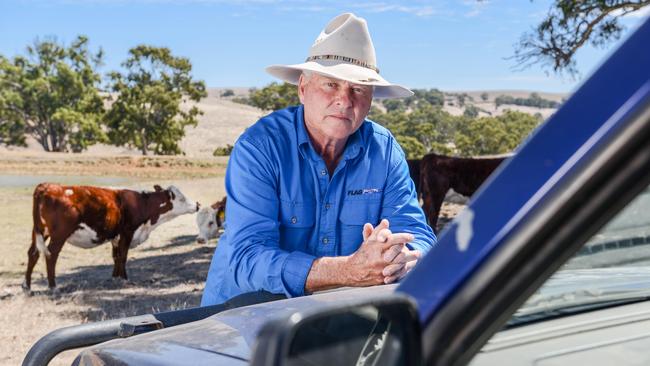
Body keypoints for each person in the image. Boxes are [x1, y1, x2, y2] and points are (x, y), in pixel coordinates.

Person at [201, 12, 436, 306]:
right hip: (241, 316)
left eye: (358, 89)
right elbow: (248, 258)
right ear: (302, 88)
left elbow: (416, 233)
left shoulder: (385, 151)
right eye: (331, 84)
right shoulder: (260, 148)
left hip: (333, 318)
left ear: (371, 99)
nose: (345, 100)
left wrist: (402, 257)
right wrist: (348, 270)